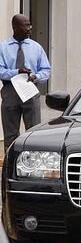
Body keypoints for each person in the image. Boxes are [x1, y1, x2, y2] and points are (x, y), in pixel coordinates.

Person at [0, 14, 51, 151]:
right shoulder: (3, 47)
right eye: (26, 25)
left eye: (30, 25)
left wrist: (36, 77)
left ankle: (32, 165)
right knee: (10, 135)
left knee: (33, 133)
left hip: (30, 90)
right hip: (10, 92)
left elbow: (46, 70)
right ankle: (10, 166)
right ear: (15, 27)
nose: (29, 29)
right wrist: (17, 72)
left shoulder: (36, 47)